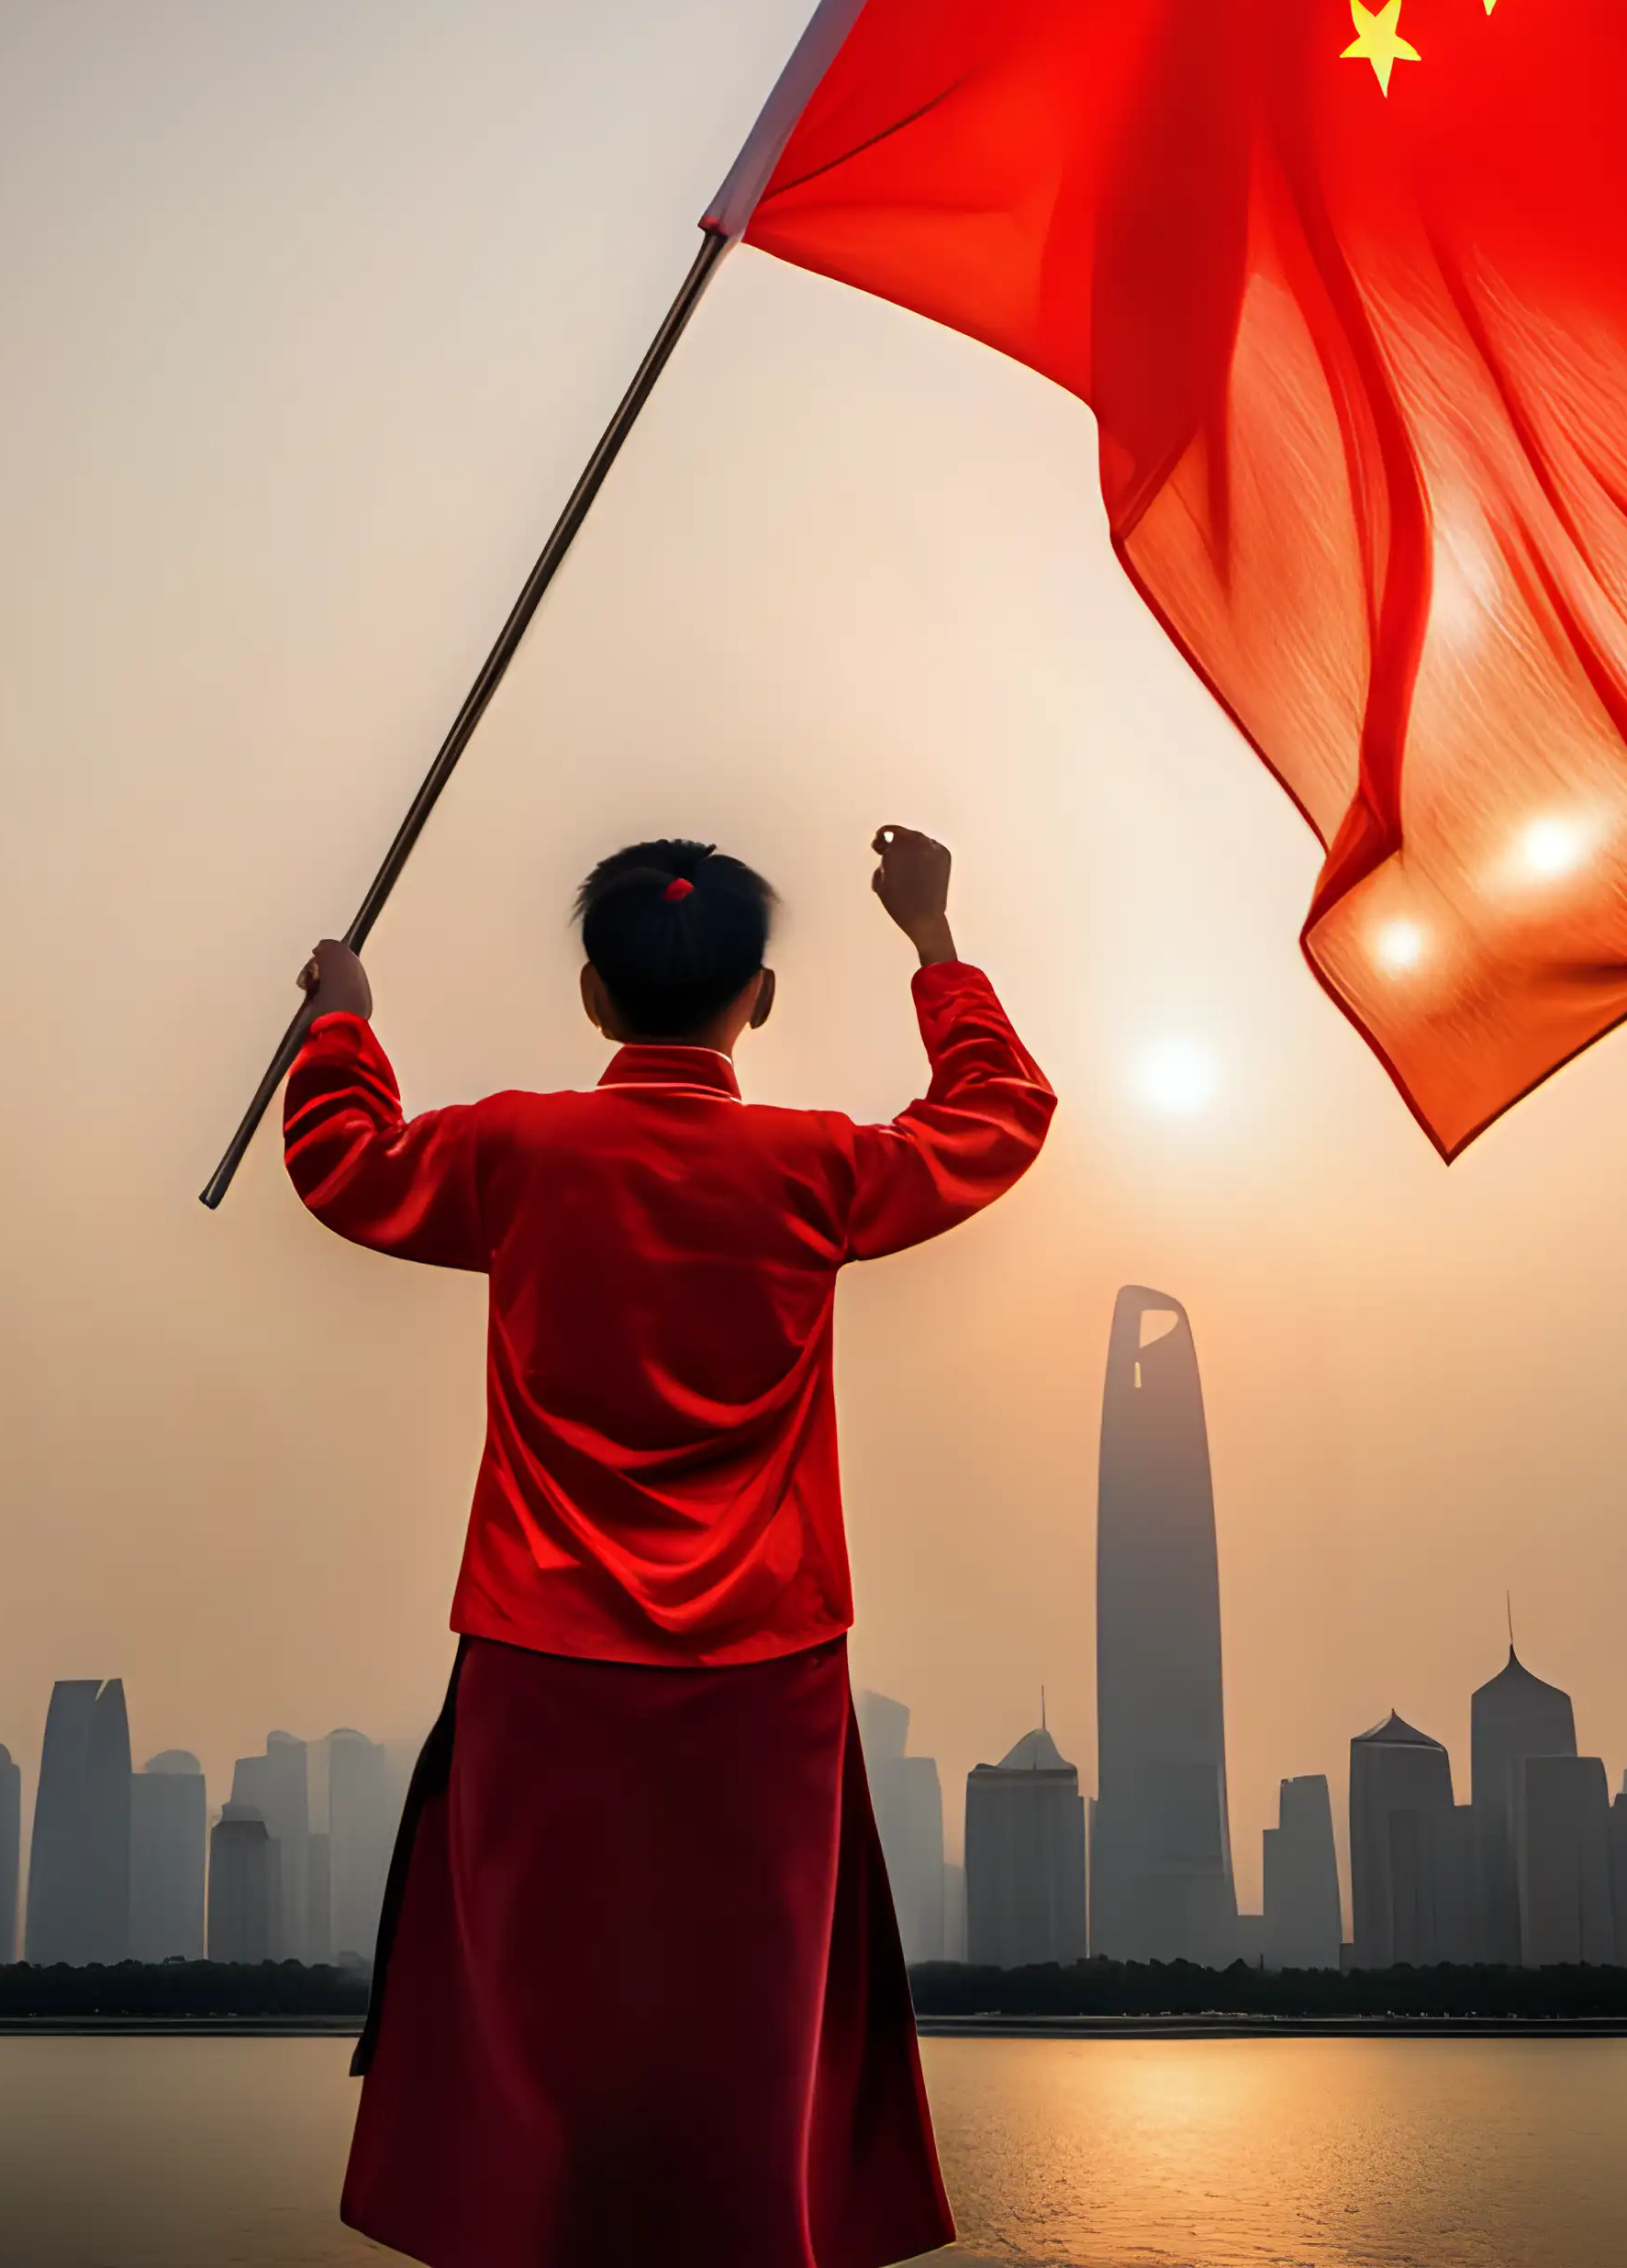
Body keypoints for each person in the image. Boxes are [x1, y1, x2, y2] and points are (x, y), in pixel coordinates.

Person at [282, 824, 1053, 2268]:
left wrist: (341, 1027)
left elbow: (342, 1164)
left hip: (538, 1657)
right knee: (749, 2038)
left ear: (592, 993)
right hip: (766, 1676)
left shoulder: (513, 1150)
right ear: (755, 996)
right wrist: (934, 941)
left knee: (533, 2027)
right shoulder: (814, 1169)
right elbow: (998, 1116)